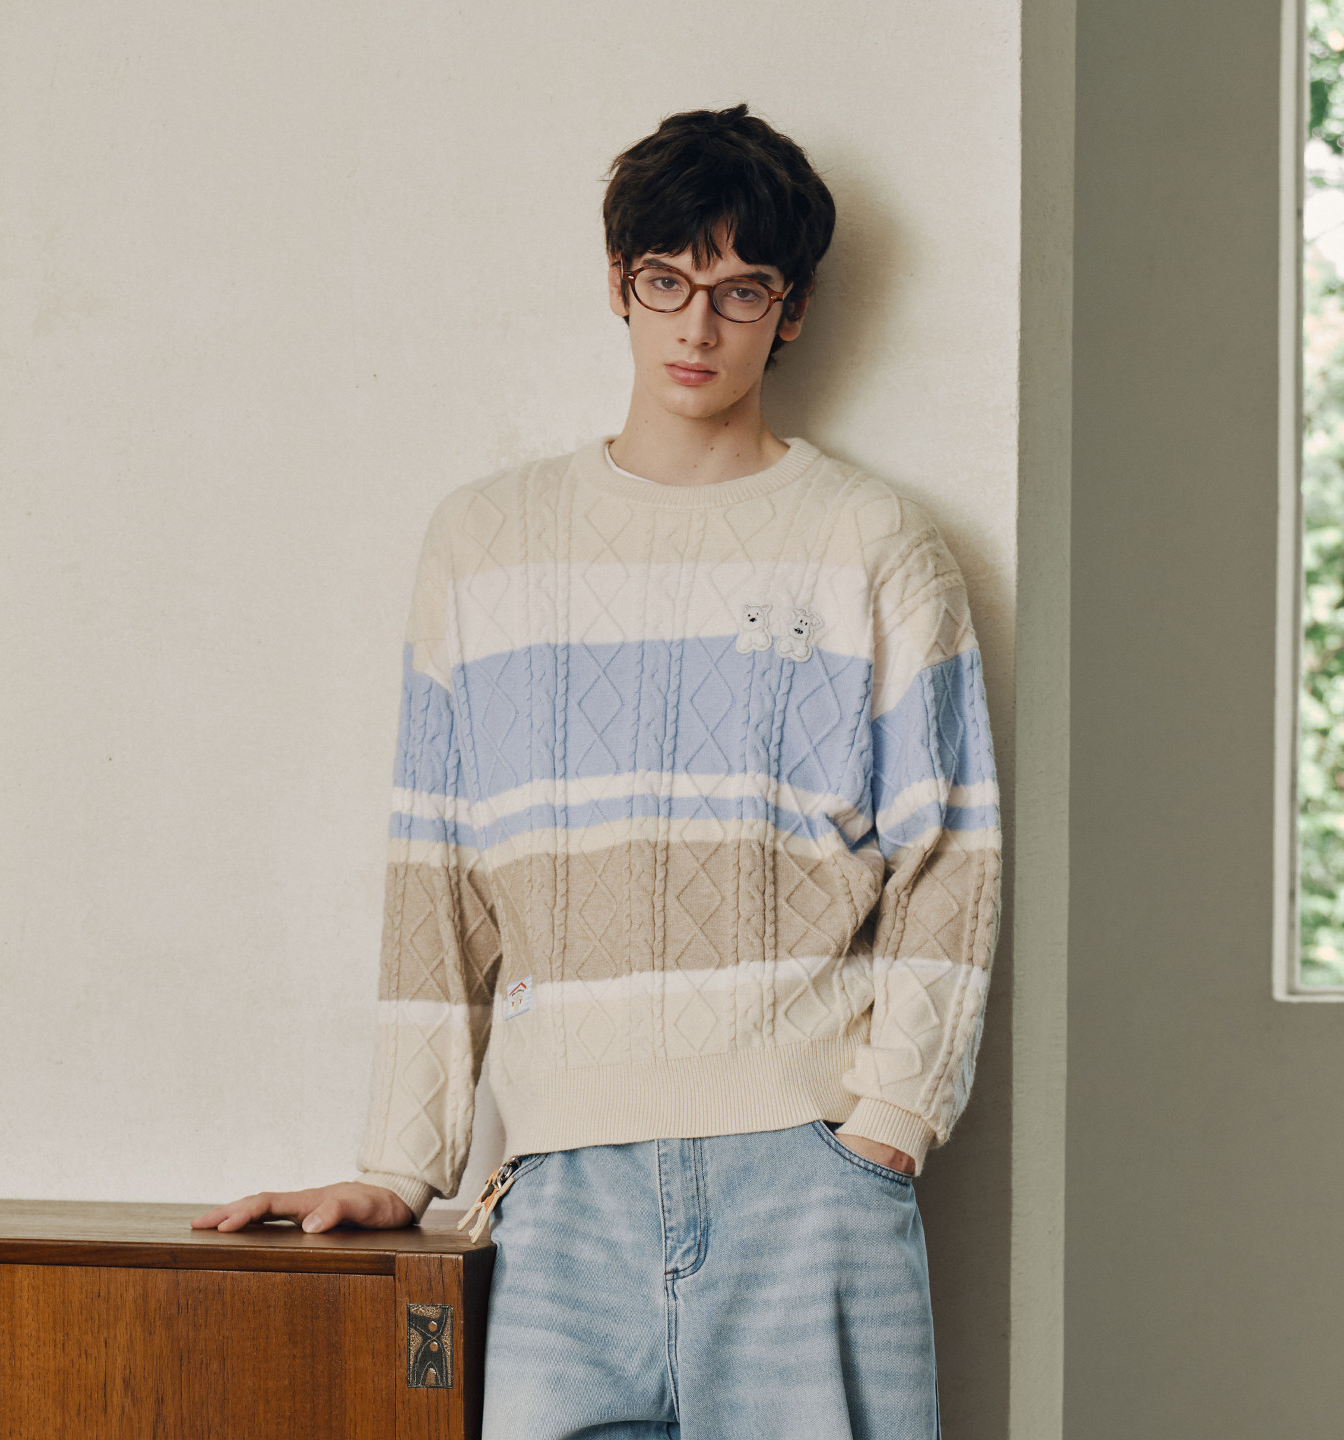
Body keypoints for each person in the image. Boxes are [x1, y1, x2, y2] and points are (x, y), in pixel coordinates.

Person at [193, 102, 1001, 1440]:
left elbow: (949, 856)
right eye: (668, 281)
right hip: (558, 1191)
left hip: (806, 1182)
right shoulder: (484, 544)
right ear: (619, 283)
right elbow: (438, 867)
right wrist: (402, 1162)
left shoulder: (873, 542)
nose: (699, 325)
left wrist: (889, 1126)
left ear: (792, 312)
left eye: (742, 290)